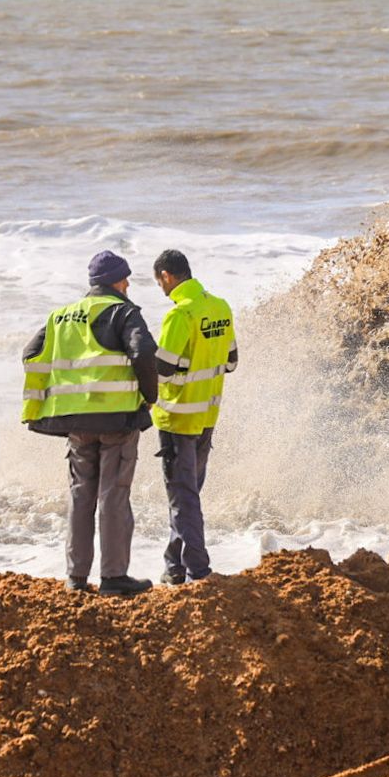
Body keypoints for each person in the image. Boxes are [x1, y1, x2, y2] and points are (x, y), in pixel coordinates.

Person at [22, 250, 157, 596]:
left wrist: (46, 400)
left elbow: (30, 354)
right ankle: (113, 577)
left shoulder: (61, 316)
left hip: (75, 421)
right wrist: (150, 396)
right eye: (125, 279)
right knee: (114, 495)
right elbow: (143, 352)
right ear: (116, 281)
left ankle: (76, 577)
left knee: (81, 495)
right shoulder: (123, 312)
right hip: (117, 419)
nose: (128, 286)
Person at [150, 248, 238, 584]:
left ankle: (198, 570)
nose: (161, 288)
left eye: (159, 282)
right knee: (187, 494)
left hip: (177, 418)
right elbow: (231, 362)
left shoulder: (179, 315)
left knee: (182, 497)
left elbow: (162, 369)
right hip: (207, 416)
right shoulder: (220, 307)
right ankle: (174, 566)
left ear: (167, 276)